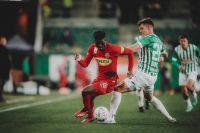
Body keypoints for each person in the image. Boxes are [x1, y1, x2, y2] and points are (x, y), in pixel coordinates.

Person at [107, 18, 176, 123]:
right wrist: (161, 57)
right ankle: (170, 118)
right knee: (150, 98)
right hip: (152, 77)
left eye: (142, 28)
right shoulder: (158, 40)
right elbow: (165, 53)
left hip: (143, 75)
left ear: (149, 28)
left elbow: (131, 49)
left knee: (117, 89)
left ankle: (111, 118)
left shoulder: (147, 38)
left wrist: (114, 52)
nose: (140, 31)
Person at [73, 31, 134, 123]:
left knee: (85, 91)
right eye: (98, 44)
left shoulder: (113, 48)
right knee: (89, 96)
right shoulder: (92, 48)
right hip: (100, 79)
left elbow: (129, 52)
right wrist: (79, 59)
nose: (100, 46)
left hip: (110, 81)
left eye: (102, 43)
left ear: (104, 40)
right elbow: (85, 64)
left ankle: (86, 109)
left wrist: (129, 70)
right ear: (95, 42)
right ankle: (90, 116)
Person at [172, 35, 200, 112]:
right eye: (181, 41)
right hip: (183, 71)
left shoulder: (194, 48)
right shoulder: (177, 49)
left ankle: (194, 93)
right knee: (183, 90)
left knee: (188, 85)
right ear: (179, 42)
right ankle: (189, 105)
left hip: (193, 70)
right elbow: (173, 60)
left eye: (184, 41)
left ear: (187, 41)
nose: (183, 42)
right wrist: (178, 66)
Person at [0, 36, 11, 102]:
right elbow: (7, 60)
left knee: (2, 82)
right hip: (3, 68)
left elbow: (8, 60)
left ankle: (1, 96)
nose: (5, 42)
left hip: (4, 69)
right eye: (3, 40)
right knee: (2, 82)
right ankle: (0, 97)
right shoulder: (4, 49)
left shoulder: (5, 49)